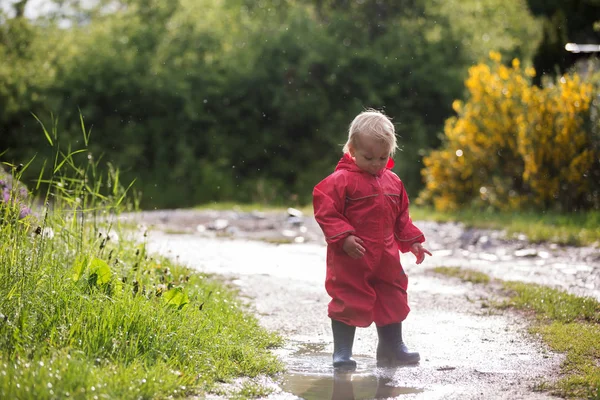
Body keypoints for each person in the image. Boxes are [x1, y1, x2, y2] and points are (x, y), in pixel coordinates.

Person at [312, 108, 432, 370]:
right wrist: (343, 238)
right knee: (348, 297)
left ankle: (392, 347)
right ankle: (342, 352)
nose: (377, 163)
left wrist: (412, 240)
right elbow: (326, 210)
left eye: (383, 157)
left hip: (387, 255)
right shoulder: (340, 181)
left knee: (393, 296)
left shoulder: (393, 182)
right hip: (352, 256)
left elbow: (401, 217)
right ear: (352, 150)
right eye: (369, 157)